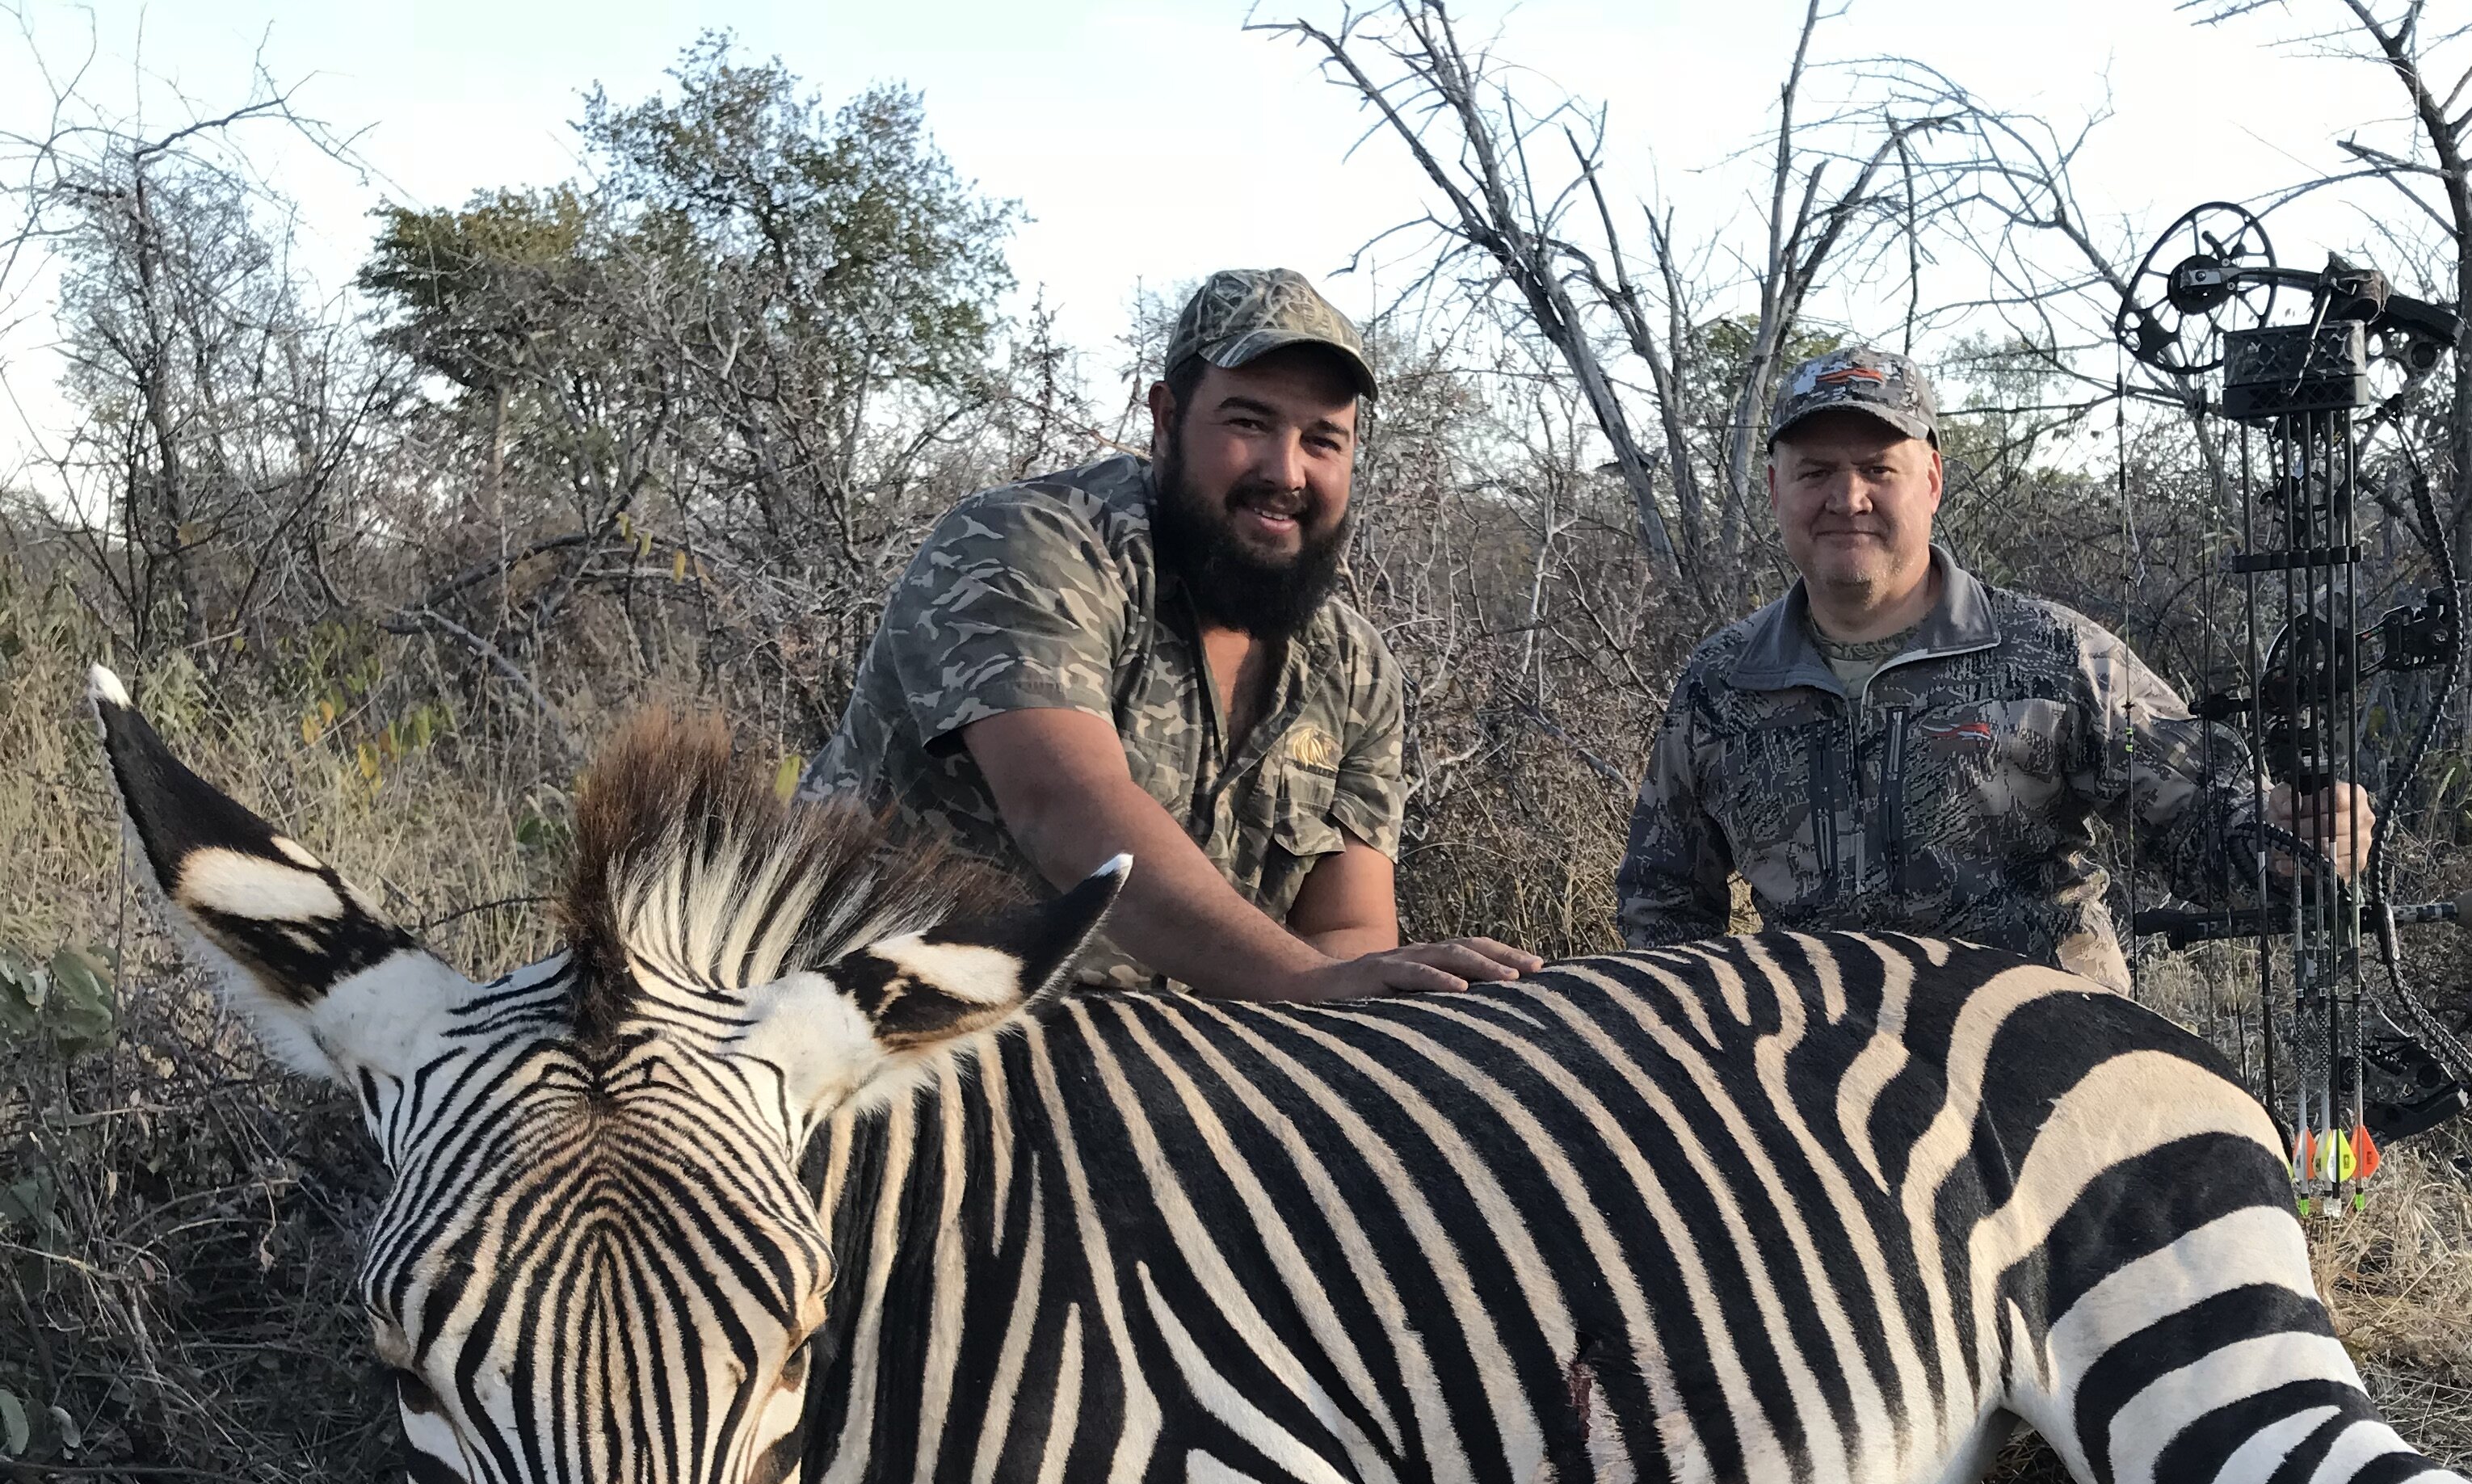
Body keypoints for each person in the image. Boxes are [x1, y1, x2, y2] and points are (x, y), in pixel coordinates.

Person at [806, 267, 1541, 999]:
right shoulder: (1026, 545)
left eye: (1323, 440)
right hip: (868, 1034)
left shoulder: (1355, 668)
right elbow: (1061, 805)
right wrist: (1305, 980)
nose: (1286, 471)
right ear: (1165, 418)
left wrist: (1335, 1001)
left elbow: (1348, 932)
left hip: (1157, 1072)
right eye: (1248, 423)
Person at [1615, 345, 2365, 991]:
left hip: (2041, 1070)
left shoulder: (2057, 653)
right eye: (1815, 473)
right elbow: (1665, 904)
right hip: (1823, 1089)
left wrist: (2294, 837)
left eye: (1879, 468)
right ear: (1775, 488)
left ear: (1933, 481)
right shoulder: (1721, 682)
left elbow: (2209, 828)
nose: (1848, 499)